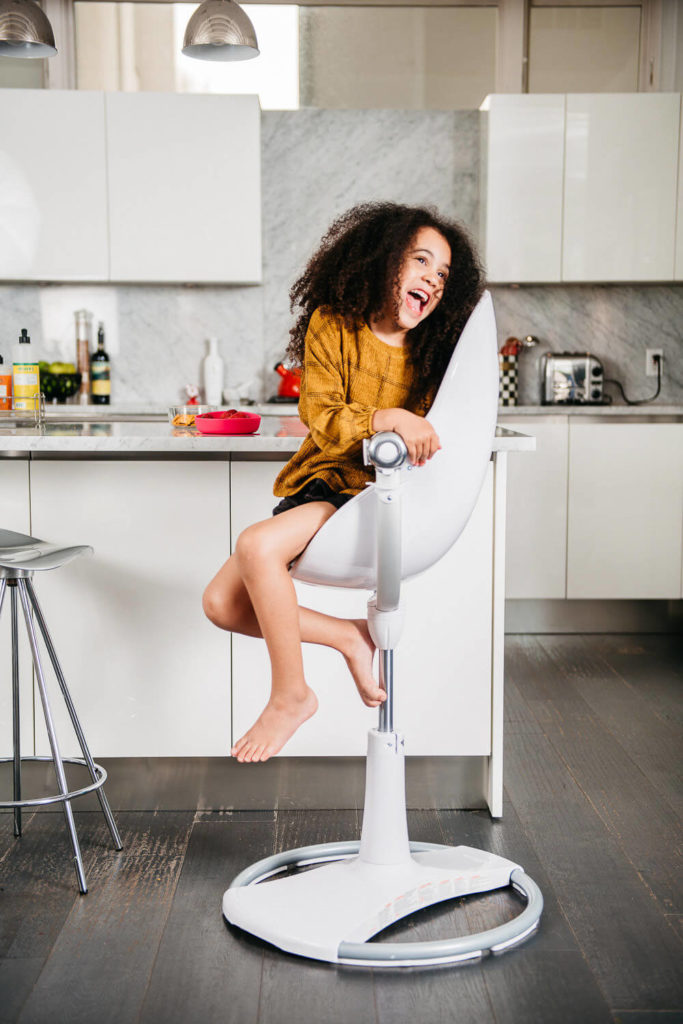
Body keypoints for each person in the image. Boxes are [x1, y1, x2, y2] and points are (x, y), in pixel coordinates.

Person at [202, 202, 485, 763]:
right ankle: (347, 636)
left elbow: (444, 431)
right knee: (220, 603)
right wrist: (389, 417)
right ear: (384, 262)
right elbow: (322, 414)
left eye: (443, 273)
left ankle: (291, 694)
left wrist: (416, 429)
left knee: (258, 546)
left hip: (370, 496)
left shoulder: (435, 354)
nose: (432, 276)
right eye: (421, 259)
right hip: (322, 481)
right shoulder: (333, 323)